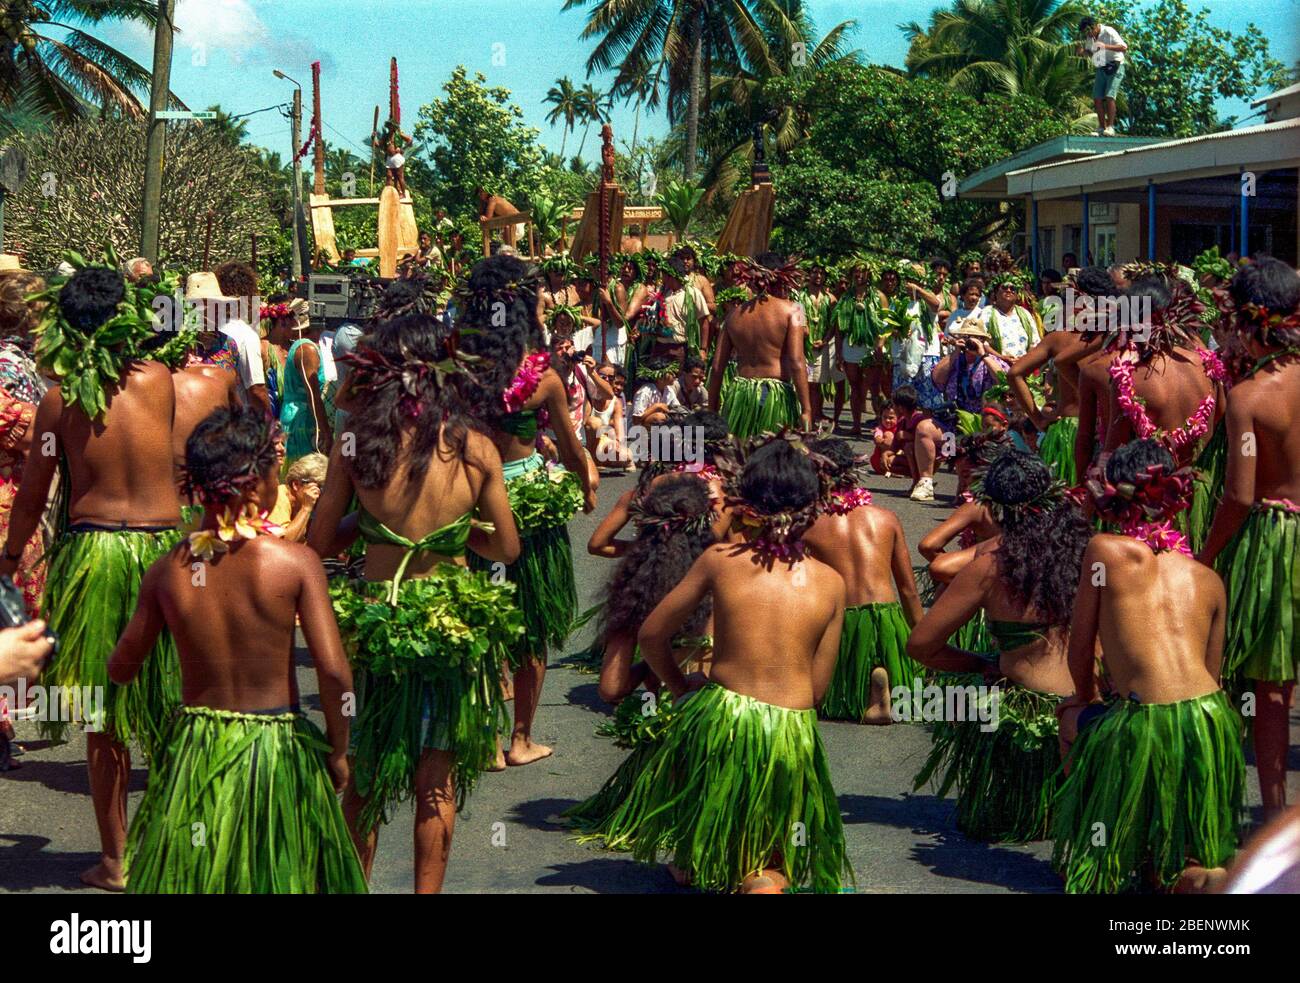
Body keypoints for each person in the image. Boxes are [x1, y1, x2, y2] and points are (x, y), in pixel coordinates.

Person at [309, 309, 522, 894]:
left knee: (368, 776)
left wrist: (377, 526)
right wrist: (455, 532)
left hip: (377, 624)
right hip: (452, 624)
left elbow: (320, 540)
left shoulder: (356, 444)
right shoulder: (475, 446)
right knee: (437, 784)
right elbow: (505, 547)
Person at [109, 407, 366, 893]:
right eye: (274, 470)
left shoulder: (167, 570)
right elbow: (333, 672)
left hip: (195, 749)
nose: (277, 485)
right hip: (276, 750)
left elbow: (122, 666)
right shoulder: (296, 564)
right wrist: (338, 748)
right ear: (251, 487)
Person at [588, 436, 852, 893]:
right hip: (790, 728)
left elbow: (652, 635)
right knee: (769, 865)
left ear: (744, 503)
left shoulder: (719, 561)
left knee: (713, 842)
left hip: (722, 716)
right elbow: (819, 690)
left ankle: (701, 858)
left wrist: (679, 686)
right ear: (817, 505)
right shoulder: (831, 584)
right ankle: (761, 877)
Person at [0, 266, 183, 892]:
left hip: (97, 555)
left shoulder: (60, 400)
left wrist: (9, 556)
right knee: (169, 703)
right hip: (166, 553)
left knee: (102, 714)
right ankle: (171, 846)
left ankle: (117, 860)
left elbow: (32, 495)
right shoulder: (162, 382)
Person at [1054, 439, 1243, 893]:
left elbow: (1080, 650)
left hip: (1145, 721)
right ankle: (1197, 871)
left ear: (1113, 498)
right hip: (1210, 722)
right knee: (1178, 869)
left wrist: (1085, 696)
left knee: (1071, 719)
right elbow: (1213, 679)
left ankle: (1106, 853)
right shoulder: (1208, 578)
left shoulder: (1104, 551)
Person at [908, 450, 1089, 842]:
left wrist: (981, 664)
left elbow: (922, 645)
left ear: (993, 509)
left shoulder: (990, 563)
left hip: (1023, 724)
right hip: (1088, 711)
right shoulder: (1089, 551)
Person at [459, 255, 596, 770]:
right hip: (530, 507)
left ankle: (484, 742)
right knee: (530, 623)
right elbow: (571, 445)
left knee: (480, 619)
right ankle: (521, 739)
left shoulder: (457, 375)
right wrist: (584, 484)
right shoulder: (542, 380)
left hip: (472, 503)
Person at [1200, 258, 1300, 817]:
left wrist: (1206, 556)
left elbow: (1238, 496)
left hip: (1274, 544)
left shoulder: (1249, 397)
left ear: (1245, 320)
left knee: (1270, 689)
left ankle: (1275, 816)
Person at [804, 437, 924, 723]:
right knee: (909, 690)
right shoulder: (886, 517)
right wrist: (922, 644)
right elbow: (908, 590)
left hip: (843, 623)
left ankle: (863, 694)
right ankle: (885, 685)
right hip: (889, 620)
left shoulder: (809, 525)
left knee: (832, 700)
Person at [1103, 272, 1225, 550]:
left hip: (1153, 506)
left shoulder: (1127, 375)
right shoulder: (1207, 365)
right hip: (1202, 497)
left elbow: (1113, 448)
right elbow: (1220, 432)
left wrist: (1091, 509)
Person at [1007, 267, 1111, 485]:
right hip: (1100, 431)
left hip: (1064, 431)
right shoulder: (1115, 338)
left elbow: (1015, 373)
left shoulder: (1059, 339)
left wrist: (1038, 419)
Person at [708, 254, 811, 439]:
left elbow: (716, 368)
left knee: (741, 458)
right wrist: (807, 409)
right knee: (775, 458)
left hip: (740, 394)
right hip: (775, 395)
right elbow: (797, 361)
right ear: (783, 278)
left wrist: (712, 408)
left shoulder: (733, 315)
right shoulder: (795, 309)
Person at [829, 258, 879, 434]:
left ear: (869, 274)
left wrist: (879, 347)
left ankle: (881, 426)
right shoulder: (845, 298)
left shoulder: (878, 297)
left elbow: (885, 326)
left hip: (870, 347)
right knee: (855, 386)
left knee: (873, 387)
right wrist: (839, 353)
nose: (859, 275)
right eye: (856, 272)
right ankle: (856, 425)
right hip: (849, 346)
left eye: (862, 271)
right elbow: (838, 329)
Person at [280, 303, 333, 467]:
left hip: (297, 413)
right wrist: (325, 431)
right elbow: (313, 394)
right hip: (303, 420)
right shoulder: (307, 349)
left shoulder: (304, 346)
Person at [794, 260, 841, 423]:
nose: (818, 276)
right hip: (803, 345)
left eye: (821, 273)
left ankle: (817, 412)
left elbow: (833, 323)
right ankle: (807, 413)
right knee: (806, 381)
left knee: (818, 381)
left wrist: (826, 339)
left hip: (823, 344)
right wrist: (804, 329)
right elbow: (798, 318)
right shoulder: (800, 296)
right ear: (809, 275)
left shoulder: (831, 299)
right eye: (815, 272)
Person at [892, 385, 946, 502]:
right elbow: (893, 447)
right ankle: (917, 480)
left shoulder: (920, 419)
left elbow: (924, 439)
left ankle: (918, 481)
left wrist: (908, 436)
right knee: (889, 461)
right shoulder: (902, 422)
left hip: (933, 456)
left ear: (900, 408)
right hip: (914, 457)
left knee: (908, 447)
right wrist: (885, 455)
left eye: (894, 406)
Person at [1078, 16, 1127, 136]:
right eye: (1085, 33)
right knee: (1097, 97)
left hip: (1116, 65)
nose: (1088, 34)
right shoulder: (1090, 37)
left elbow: (1124, 47)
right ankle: (1101, 127)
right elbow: (1091, 53)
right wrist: (1082, 52)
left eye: (1089, 31)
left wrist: (1105, 46)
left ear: (1094, 26)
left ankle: (1110, 127)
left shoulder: (1108, 31)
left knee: (1110, 96)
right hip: (1102, 66)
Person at [975, 273, 1039, 360]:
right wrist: (1001, 357)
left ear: (1017, 295)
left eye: (1012, 289)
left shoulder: (1025, 313)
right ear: (996, 293)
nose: (1009, 290)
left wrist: (1024, 360)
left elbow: (1034, 342)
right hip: (996, 365)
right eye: (1004, 288)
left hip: (1023, 366)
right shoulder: (987, 313)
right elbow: (982, 342)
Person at [280, 452, 327, 542]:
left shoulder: (299, 505)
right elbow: (283, 543)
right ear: (296, 484)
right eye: (318, 487)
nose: (320, 493)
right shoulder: (280, 498)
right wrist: (306, 508)